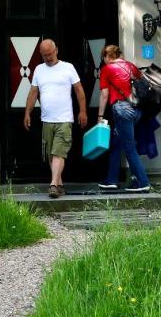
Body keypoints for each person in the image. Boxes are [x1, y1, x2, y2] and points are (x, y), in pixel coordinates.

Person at [23, 38, 88, 198]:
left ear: (56, 50)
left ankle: (52, 184)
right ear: (41, 54)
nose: (48, 57)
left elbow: (79, 90)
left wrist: (82, 111)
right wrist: (27, 113)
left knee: (59, 152)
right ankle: (59, 185)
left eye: (50, 54)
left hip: (64, 119)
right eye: (45, 55)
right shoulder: (39, 69)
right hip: (47, 119)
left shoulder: (68, 68)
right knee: (51, 154)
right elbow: (33, 93)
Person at [96, 45, 151, 193]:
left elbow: (104, 95)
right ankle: (112, 180)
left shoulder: (107, 69)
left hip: (122, 110)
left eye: (104, 58)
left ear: (107, 56)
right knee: (116, 143)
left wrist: (100, 116)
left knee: (129, 147)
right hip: (137, 110)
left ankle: (142, 182)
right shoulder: (130, 66)